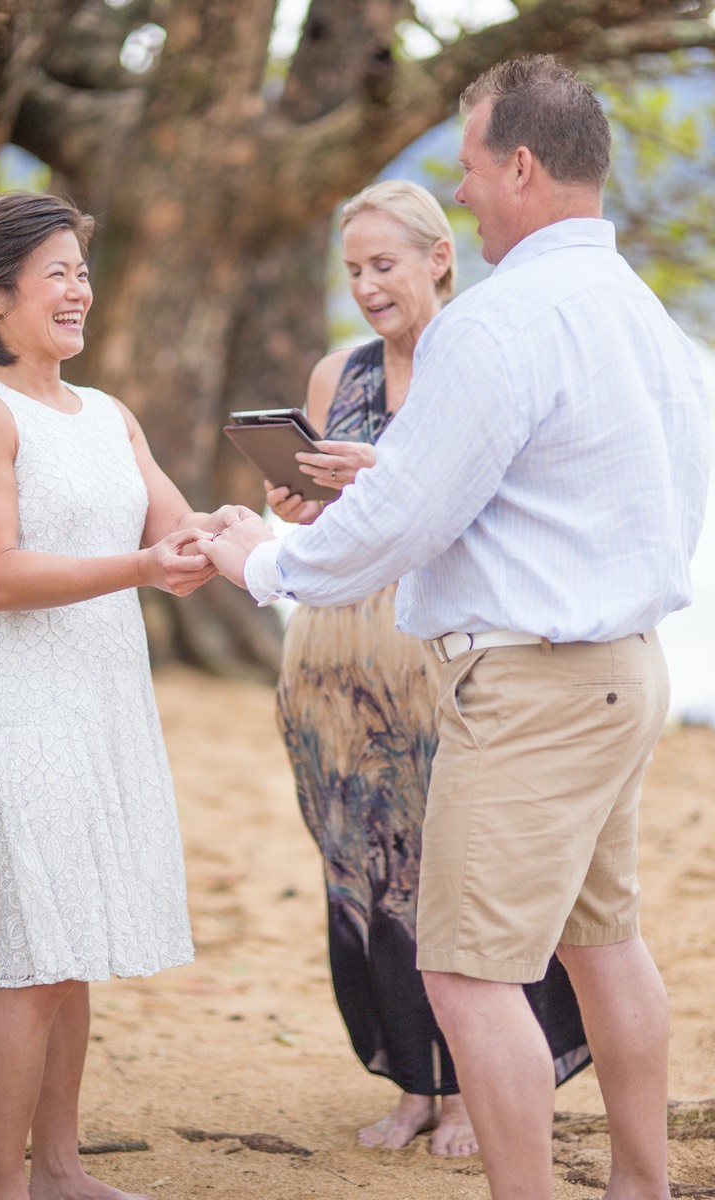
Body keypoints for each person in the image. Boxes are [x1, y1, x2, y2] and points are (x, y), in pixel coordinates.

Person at [199, 55, 710, 1200]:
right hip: (627, 674)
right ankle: (641, 1187)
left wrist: (263, 560)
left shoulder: (496, 323)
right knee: (602, 940)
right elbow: (593, 495)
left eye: (471, 168)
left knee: (468, 978)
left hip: (527, 692)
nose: (465, 191)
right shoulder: (642, 315)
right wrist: (403, 476)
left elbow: (388, 531)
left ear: (518, 165)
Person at [0, 191, 244, 1200]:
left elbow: (177, 530)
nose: (77, 291)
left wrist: (236, 529)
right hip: (30, 716)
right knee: (36, 957)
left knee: (78, 951)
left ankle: (61, 1168)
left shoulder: (109, 415)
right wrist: (144, 567)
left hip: (110, 709)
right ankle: (3, 1188)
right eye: (54, 273)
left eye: (80, 271)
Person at [267, 179, 589, 1155]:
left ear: (436, 258)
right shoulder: (338, 375)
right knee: (362, 881)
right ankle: (410, 1082)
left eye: (383, 264)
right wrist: (301, 514)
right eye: (353, 269)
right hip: (330, 667)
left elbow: (488, 506)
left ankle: (469, 1092)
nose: (366, 285)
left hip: (439, 660)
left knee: (453, 879)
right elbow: (343, 523)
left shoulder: (476, 358)